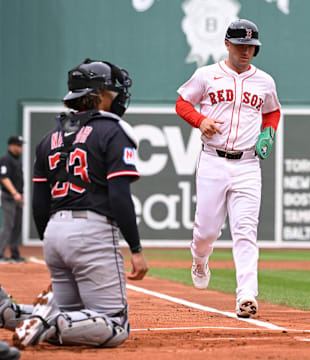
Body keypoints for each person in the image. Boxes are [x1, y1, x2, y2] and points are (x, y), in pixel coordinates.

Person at [0, 58, 148, 348]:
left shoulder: (49, 138)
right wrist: (136, 248)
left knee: (74, 315)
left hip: (54, 233)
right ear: (100, 95)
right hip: (91, 232)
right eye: (112, 91)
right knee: (115, 324)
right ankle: (48, 321)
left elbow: (40, 204)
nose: (117, 96)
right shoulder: (113, 130)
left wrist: (53, 243)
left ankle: (12, 313)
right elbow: (119, 197)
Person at [175, 19, 281, 318]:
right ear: (227, 45)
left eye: (251, 46)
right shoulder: (206, 75)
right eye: (240, 45)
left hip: (248, 164)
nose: (246, 51)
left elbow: (272, 111)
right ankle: (199, 258)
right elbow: (182, 103)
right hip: (213, 160)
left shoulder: (264, 81)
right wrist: (200, 121)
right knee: (207, 231)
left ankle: (246, 296)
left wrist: (268, 133)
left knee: (245, 232)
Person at [0, 135, 26, 263]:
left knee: (17, 226)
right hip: (9, 197)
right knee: (8, 225)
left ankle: (15, 254)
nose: (20, 148)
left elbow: (19, 180)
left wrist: (22, 194)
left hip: (18, 197)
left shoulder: (17, 160)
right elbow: (4, 178)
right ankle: (0, 254)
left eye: (21, 145)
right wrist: (15, 193)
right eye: (18, 145)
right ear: (11, 145)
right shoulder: (6, 159)